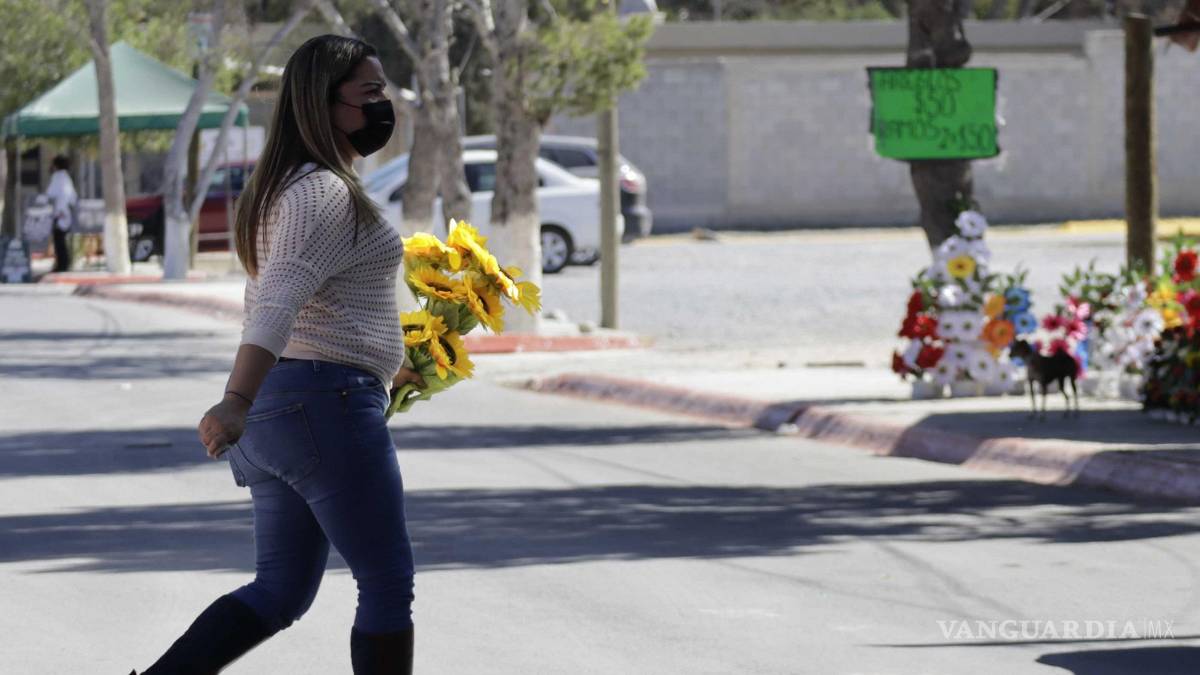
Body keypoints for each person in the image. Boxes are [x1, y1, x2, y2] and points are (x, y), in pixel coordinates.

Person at [131, 35, 426, 675]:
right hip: (322, 404)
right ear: (324, 104)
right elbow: (278, 302)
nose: (384, 104)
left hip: (287, 407)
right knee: (386, 581)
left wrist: (388, 361)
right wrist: (234, 399)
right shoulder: (323, 193)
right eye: (371, 92)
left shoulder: (290, 187)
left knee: (280, 590)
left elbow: (314, 303)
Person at [45, 155, 77, 272]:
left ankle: (62, 265)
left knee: (59, 241)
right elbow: (73, 198)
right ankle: (63, 264)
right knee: (61, 240)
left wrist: (59, 211)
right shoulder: (66, 178)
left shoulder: (58, 177)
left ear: (56, 165)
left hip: (59, 214)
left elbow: (50, 194)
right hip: (65, 213)